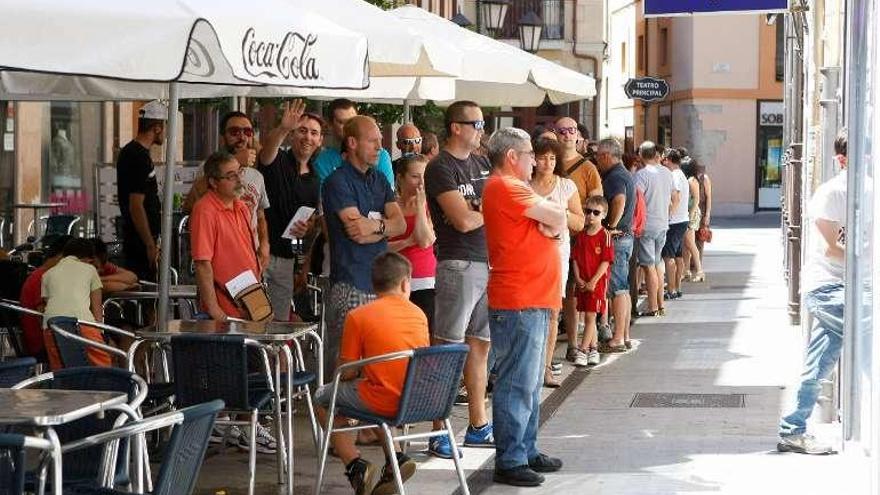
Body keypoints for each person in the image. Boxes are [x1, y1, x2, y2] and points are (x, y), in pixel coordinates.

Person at [482, 127, 565, 487]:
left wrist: (553, 224)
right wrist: (552, 224)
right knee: (517, 382)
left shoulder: (513, 187)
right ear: (513, 156)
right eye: (531, 153)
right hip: (520, 299)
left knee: (528, 382)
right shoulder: (506, 185)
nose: (536, 160)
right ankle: (511, 458)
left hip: (531, 297)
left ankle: (526, 450)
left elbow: (558, 219)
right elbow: (558, 216)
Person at [313, 252, 428, 495]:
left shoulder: (359, 316)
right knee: (374, 390)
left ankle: (355, 465)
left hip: (383, 399)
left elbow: (348, 371)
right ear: (406, 283)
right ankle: (395, 457)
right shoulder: (419, 314)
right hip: (418, 400)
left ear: (374, 284)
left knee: (324, 398)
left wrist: (340, 374)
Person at [424, 101, 494, 459]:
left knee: (480, 345)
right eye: (476, 123)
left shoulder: (482, 163)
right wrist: (486, 210)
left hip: (487, 261)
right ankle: (438, 430)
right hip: (458, 262)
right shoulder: (440, 168)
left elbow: (481, 213)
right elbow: (463, 221)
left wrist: (481, 210)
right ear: (456, 127)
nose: (481, 129)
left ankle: (479, 425)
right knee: (447, 349)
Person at [777, 129, 847, 455]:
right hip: (832, 288)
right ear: (841, 159)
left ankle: (793, 429)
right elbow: (834, 246)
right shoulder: (833, 192)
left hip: (844, 286)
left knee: (818, 362)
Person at [322, 115, 406, 377]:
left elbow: (401, 225)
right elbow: (356, 232)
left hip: (379, 282)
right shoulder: (337, 181)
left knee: (376, 359)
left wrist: (376, 227)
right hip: (351, 280)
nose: (380, 147)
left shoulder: (380, 179)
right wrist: (384, 226)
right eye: (373, 141)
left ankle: (363, 411)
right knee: (346, 361)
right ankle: (336, 413)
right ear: (352, 142)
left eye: (380, 141)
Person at [257, 99, 323, 320]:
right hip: (258, 254)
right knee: (253, 318)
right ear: (293, 135)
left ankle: (276, 356)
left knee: (280, 320)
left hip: (286, 259)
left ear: (320, 140)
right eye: (302, 130)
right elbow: (266, 153)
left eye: (314, 133)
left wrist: (308, 228)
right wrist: (284, 127)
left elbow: (310, 224)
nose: (308, 137)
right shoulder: (279, 159)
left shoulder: (315, 180)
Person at [183, 111, 271, 268]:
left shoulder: (257, 176)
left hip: (251, 257)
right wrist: (235, 161)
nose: (242, 137)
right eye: (234, 132)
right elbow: (190, 206)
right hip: (219, 258)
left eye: (247, 132)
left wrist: (264, 245)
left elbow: (260, 216)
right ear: (222, 137)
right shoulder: (209, 167)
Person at [529, 138, 584, 387]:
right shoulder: (524, 186)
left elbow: (580, 223)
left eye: (552, 158)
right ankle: (530, 366)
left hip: (557, 254)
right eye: (542, 157)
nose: (547, 163)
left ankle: (546, 367)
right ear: (533, 159)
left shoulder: (566, 186)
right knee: (529, 310)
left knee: (552, 312)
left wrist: (557, 213)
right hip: (528, 255)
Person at [190, 151, 262, 322]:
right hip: (225, 306)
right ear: (213, 182)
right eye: (231, 176)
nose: (238, 179)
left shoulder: (241, 206)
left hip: (251, 298)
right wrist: (214, 308)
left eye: (239, 172)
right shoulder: (205, 210)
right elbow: (202, 264)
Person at [554, 116, 602, 363]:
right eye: (562, 130)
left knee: (577, 293)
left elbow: (597, 205)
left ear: (578, 135)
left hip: (580, 237)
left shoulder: (588, 168)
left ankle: (582, 345)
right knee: (562, 295)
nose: (567, 134)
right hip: (554, 237)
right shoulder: (548, 164)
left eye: (571, 130)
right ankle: (573, 344)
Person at [116, 100, 165, 281]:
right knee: (144, 292)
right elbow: (136, 205)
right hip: (139, 241)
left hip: (142, 237)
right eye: (165, 127)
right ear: (157, 128)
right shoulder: (136, 156)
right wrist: (149, 244)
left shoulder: (138, 153)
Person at [389, 154, 437, 335]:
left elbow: (425, 240)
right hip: (393, 280)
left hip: (424, 280)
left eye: (424, 177)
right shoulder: (389, 206)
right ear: (400, 178)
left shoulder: (429, 205)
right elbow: (379, 248)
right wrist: (407, 242)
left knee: (422, 335)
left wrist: (420, 207)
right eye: (415, 176)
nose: (421, 183)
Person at [595, 137, 636, 351]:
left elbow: (618, 200)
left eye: (598, 156)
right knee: (624, 289)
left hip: (618, 238)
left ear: (605, 156)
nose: (596, 160)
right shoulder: (624, 173)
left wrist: (610, 226)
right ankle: (625, 335)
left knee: (618, 288)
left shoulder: (614, 176)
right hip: (626, 237)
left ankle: (618, 337)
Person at [41, 238, 106, 370]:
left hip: (51, 327)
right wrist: (101, 332)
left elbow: (49, 303)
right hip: (83, 324)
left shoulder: (47, 274)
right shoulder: (90, 269)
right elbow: (96, 307)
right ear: (88, 258)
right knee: (103, 367)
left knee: (63, 371)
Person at [571, 196, 614, 366]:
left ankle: (583, 350)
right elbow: (574, 258)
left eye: (596, 212)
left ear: (603, 215)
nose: (591, 216)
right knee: (588, 316)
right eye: (588, 211)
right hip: (583, 282)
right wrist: (578, 277)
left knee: (590, 317)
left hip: (597, 284)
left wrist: (594, 281)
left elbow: (606, 261)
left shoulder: (605, 235)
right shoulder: (581, 236)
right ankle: (594, 348)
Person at [634, 141, 674, 317]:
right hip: (662, 224)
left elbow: (637, 200)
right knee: (657, 263)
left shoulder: (641, 175)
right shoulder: (666, 172)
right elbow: (673, 196)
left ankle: (652, 306)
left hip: (647, 226)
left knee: (648, 266)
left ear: (641, 155)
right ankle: (660, 304)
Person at [315, 99, 394, 187]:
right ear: (330, 125)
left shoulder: (380, 154)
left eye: (353, 121)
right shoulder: (323, 160)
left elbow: (387, 194)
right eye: (342, 122)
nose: (349, 126)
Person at [19, 234, 73, 359]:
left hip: (50, 341)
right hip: (45, 346)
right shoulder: (44, 277)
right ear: (62, 257)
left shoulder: (42, 275)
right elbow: (47, 321)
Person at [661, 147, 689, 300]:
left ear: (670, 160)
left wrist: (669, 216)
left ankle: (671, 289)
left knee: (668, 256)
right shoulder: (680, 175)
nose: (663, 161)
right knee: (678, 256)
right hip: (681, 220)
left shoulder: (674, 176)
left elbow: (676, 198)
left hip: (675, 221)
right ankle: (677, 287)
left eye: (664, 159)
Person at [681, 156, 705, 282]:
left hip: (692, 213)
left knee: (690, 243)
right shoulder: (692, 179)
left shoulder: (691, 180)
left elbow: (696, 200)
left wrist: (690, 216)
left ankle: (700, 271)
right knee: (686, 244)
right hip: (691, 213)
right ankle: (686, 270)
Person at [694, 159, 713, 262]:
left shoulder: (704, 178)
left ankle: (698, 263)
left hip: (701, 212)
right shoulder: (692, 178)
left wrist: (707, 215)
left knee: (700, 239)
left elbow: (709, 197)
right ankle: (693, 263)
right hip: (693, 213)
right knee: (692, 240)